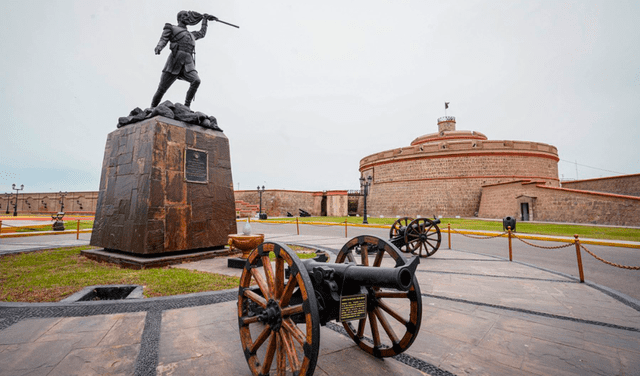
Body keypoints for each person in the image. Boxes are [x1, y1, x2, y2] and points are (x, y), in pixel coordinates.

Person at [150, 11, 217, 108]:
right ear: (180, 18)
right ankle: (152, 108)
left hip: (188, 63)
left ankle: (187, 106)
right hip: (174, 61)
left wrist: (205, 20)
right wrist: (159, 47)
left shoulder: (191, 35)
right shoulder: (172, 28)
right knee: (162, 89)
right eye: (185, 15)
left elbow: (202, 33)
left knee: (196, 81)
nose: (187, 17)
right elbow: (163, 39)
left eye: (187, 15)